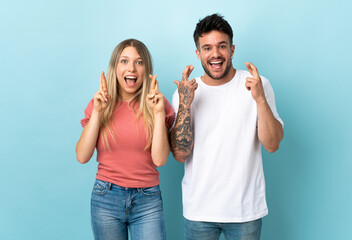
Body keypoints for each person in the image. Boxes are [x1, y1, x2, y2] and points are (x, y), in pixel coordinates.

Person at [170, 14, 284, 240]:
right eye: (207, 48)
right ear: (198, 53)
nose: (215, 54)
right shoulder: (186, 92)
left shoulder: (257, 85)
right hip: (199, 211)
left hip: (245, 212)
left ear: (232, 49)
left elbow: (272, 144)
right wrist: (184, 104)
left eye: (222, 46)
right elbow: (180, 154)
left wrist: (260, 99)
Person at [76, 39, 174, 240]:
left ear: (146, 68)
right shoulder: (100, 104)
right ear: (114, 67)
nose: (132, 68)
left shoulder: (157, 103)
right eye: (124, 61)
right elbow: (82, 156)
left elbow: (160, 160)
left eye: (139, 62)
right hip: (106, 197)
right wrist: (97, 112)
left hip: (148, 199)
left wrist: (157, 113)